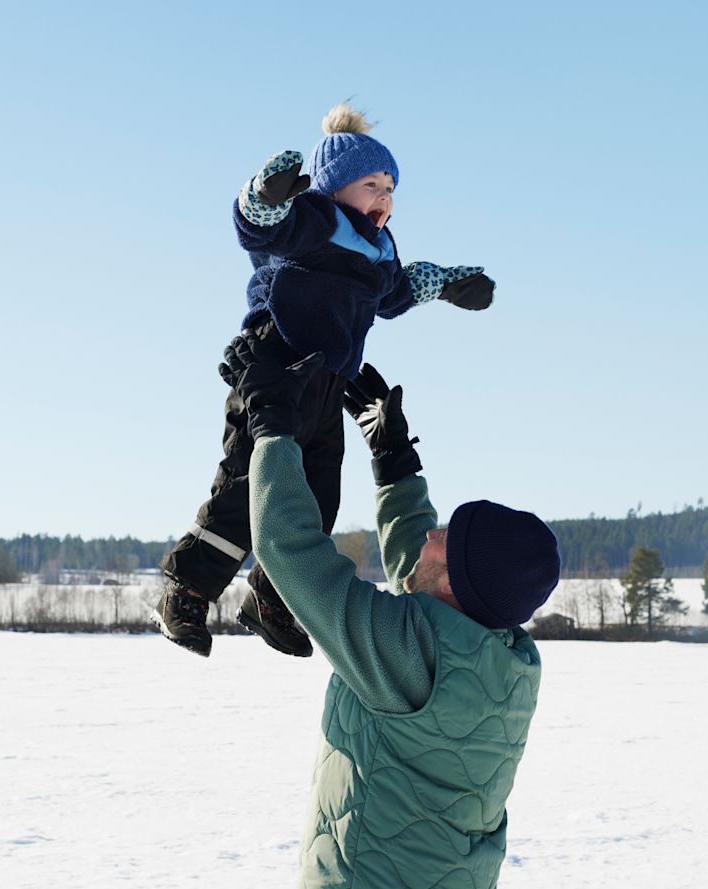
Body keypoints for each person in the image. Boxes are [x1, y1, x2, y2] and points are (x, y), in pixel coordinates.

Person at [219, 330, 560, 889]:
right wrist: (394, 460)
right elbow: (422, 576)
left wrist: (272, 426)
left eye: (443, 536)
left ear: (458, 580)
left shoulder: (412, 655)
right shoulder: (499, 656)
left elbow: (291, 552)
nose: (430, 536)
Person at [156, 102, 496, 658]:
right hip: (274, 365)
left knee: (316, 499)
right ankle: (185, 588)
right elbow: (258, 229)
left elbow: (394, 295)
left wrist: (449, 285)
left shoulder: (379, 249)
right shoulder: (315, 218)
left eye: (391, 186)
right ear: (337, 186)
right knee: (249, 487)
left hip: (328, 384)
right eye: (371, 184)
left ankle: (270, 599)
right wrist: (267, 195)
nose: (384, 197)